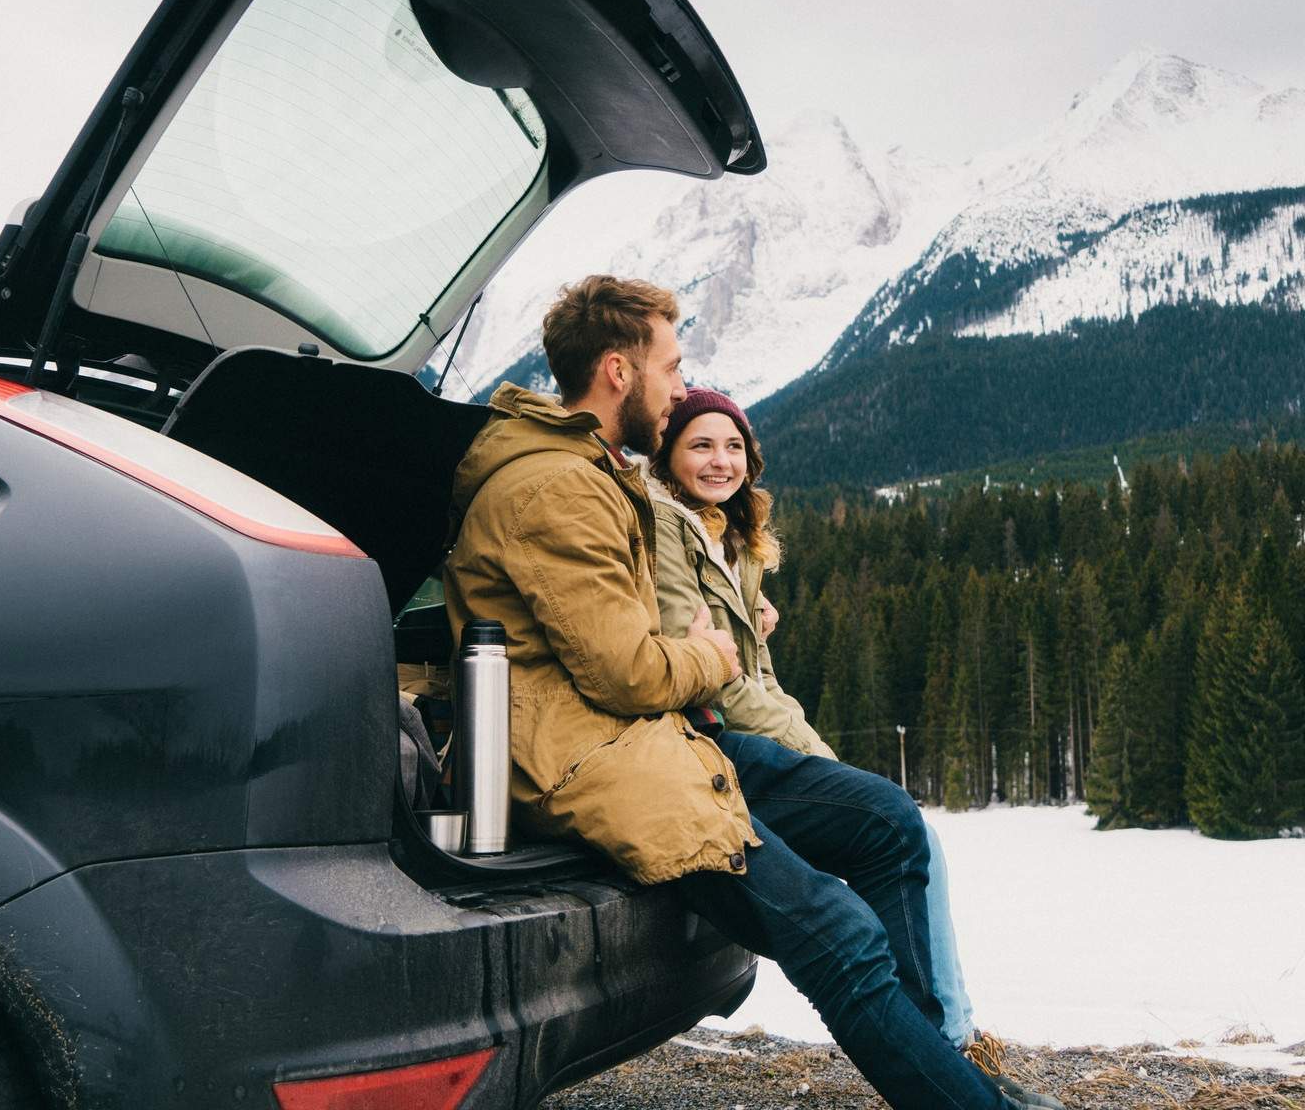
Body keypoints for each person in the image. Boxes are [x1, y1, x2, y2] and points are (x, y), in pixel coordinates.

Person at [441, 275, 1029, 1108]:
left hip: (647, 738)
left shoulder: (587, 471)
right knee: (838, 931)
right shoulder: (556, 488)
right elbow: (628, 670)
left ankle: (946, 1076)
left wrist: (729, 629)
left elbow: (619, 638)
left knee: (888, 824)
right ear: (618, 371)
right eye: (670, 369)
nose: (679, 389)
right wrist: (717, 653)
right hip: (591, 758)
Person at [646, 386, 1044, 1105]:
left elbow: (752, 675)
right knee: (875, 868)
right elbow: (717, 679)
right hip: (703, 746)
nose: (720, 460)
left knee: (901, 825)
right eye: (701, 444)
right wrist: (818, 759)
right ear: (668, 456)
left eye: (733, 445)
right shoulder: (670, 529)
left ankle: (946, 1056)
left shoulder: (729, 540)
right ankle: (950, 1057)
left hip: (737, 736)